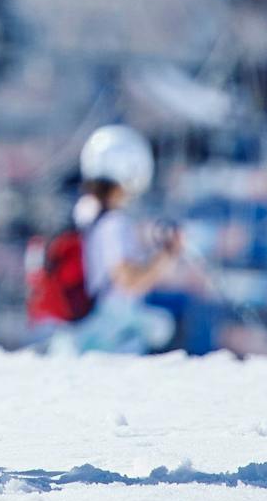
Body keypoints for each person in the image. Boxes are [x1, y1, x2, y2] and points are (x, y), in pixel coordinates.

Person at [59, 125, 180, 354]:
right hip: (111, 333)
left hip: (85, 325)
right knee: (162, 326)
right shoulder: (113, 223)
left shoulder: (84, 212)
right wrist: (166, 256)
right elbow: (128, 281)